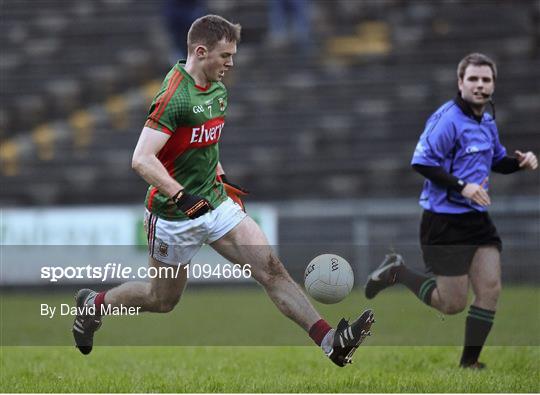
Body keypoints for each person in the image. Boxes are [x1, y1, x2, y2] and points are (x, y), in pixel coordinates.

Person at [72, 14, 374, 367]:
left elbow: (204, 145)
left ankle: (331, 342)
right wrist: (181, 196)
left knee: (271, 269)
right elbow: (141, 159)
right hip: (172, 215)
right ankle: (94, 305)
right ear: (201, 52)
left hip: (215, 203)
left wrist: (222, 178)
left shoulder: (217, 89)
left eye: (233, 55)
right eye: (225, 56)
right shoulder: (174, 97)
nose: (231, 63)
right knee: (162, 300)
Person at [364, 53, 537, 369]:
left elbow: (496, 159)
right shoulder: (447, 119)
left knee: (490, 289)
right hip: (443, 221)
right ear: (460, 83)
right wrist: (463, 186)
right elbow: (421, 161)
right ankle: (397, 271)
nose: (480, 85)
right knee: (452, 303)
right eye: (473, 79)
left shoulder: (486, 119)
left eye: (486, 80)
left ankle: (469, 364)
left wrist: (520, 163)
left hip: (477, 220)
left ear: (493, 84)